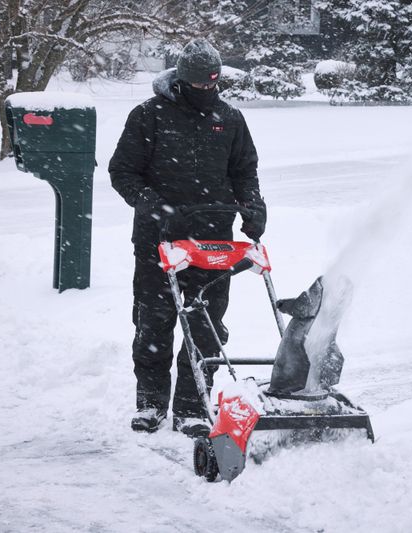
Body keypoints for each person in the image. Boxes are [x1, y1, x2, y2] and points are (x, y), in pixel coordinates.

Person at [108, 38, 266, 433]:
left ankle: (193, 406)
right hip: (158, 241)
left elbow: (245, 170)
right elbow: (122, 172)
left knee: (207, 325)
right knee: (154, 323)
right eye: (198, 86)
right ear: (181, 81)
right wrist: (157, 207)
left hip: (214, 241)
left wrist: (253, 207)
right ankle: (151, 404)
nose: (206, 92)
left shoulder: (228, 119)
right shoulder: (149, 115)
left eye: (212, 86)